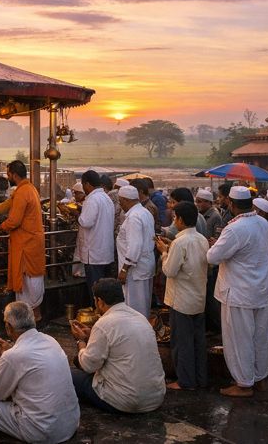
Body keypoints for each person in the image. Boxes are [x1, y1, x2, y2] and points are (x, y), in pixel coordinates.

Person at [0, 301, 79, 443]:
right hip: (70, 424)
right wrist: (12, 350)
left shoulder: (13, 356)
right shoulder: (51, 340)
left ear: (8, 327)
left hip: (43, 433)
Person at [206, 186, 268, 397]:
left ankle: (244, 383)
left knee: (239, 339)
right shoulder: (263, 223)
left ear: (232, 205)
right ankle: (259, 378)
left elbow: (212, 257)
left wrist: (216, 245)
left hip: (239, 291)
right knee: (260, 337)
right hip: (259, 290)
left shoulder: (235, 228)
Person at [70, 278, 166, 412]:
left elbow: (88, 365)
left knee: (68, 375)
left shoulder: (104, 323)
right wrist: (91, 334)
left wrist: (80, 341)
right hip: (156, 397)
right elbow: (118, 339)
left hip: (126, 401)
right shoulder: (141, 318)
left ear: (99, 301)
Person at [0, 161, 46, 322]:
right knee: (30, 283)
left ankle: (34, 318)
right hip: (28, 243)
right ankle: (30, 319)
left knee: (30, 283)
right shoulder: (27, 189)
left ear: (14, 174)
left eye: (8, 174)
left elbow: (14, 221)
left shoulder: (23, 192)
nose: (7, 177)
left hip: (27, 245)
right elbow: (5, 205)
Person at [156, 201, 209, 390]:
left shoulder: (180, 242)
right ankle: (200, 379)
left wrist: (164, 253)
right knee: (197, 342)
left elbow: (169, 270)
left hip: (181, 300)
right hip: (198, 298)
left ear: (180, 219)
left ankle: (185, 381)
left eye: (174, 218)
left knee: (182, 343)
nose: (173, 221)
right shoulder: (201, 239)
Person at [115, 185, 155, 317]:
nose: (120, 205)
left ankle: (137, 334)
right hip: (143, 265)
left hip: (134, 270)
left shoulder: (134, 217)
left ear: (126, 200)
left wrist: (125, 269)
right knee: (143, 304)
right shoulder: (144, 212)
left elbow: (135, 245)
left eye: (121, 202)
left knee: (135, 307)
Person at [77, 170, 115, 303]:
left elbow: (86, 222)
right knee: (104, 290)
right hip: (104, 251)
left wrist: (75, 214)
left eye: (82, 185)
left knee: (96, 290)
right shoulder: (106, 198)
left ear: (87, 184)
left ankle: (97, 315)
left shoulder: (93, 199)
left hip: (94, 253)